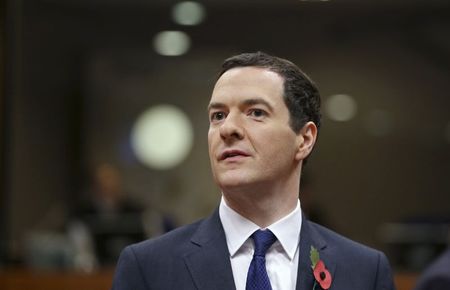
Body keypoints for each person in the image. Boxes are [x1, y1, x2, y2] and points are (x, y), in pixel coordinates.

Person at [111, 52, 396, 290]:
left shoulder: (364, 272)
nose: (228, 128)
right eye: (218, 116)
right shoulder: (148, 267)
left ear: (304, 139)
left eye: (256, 112)